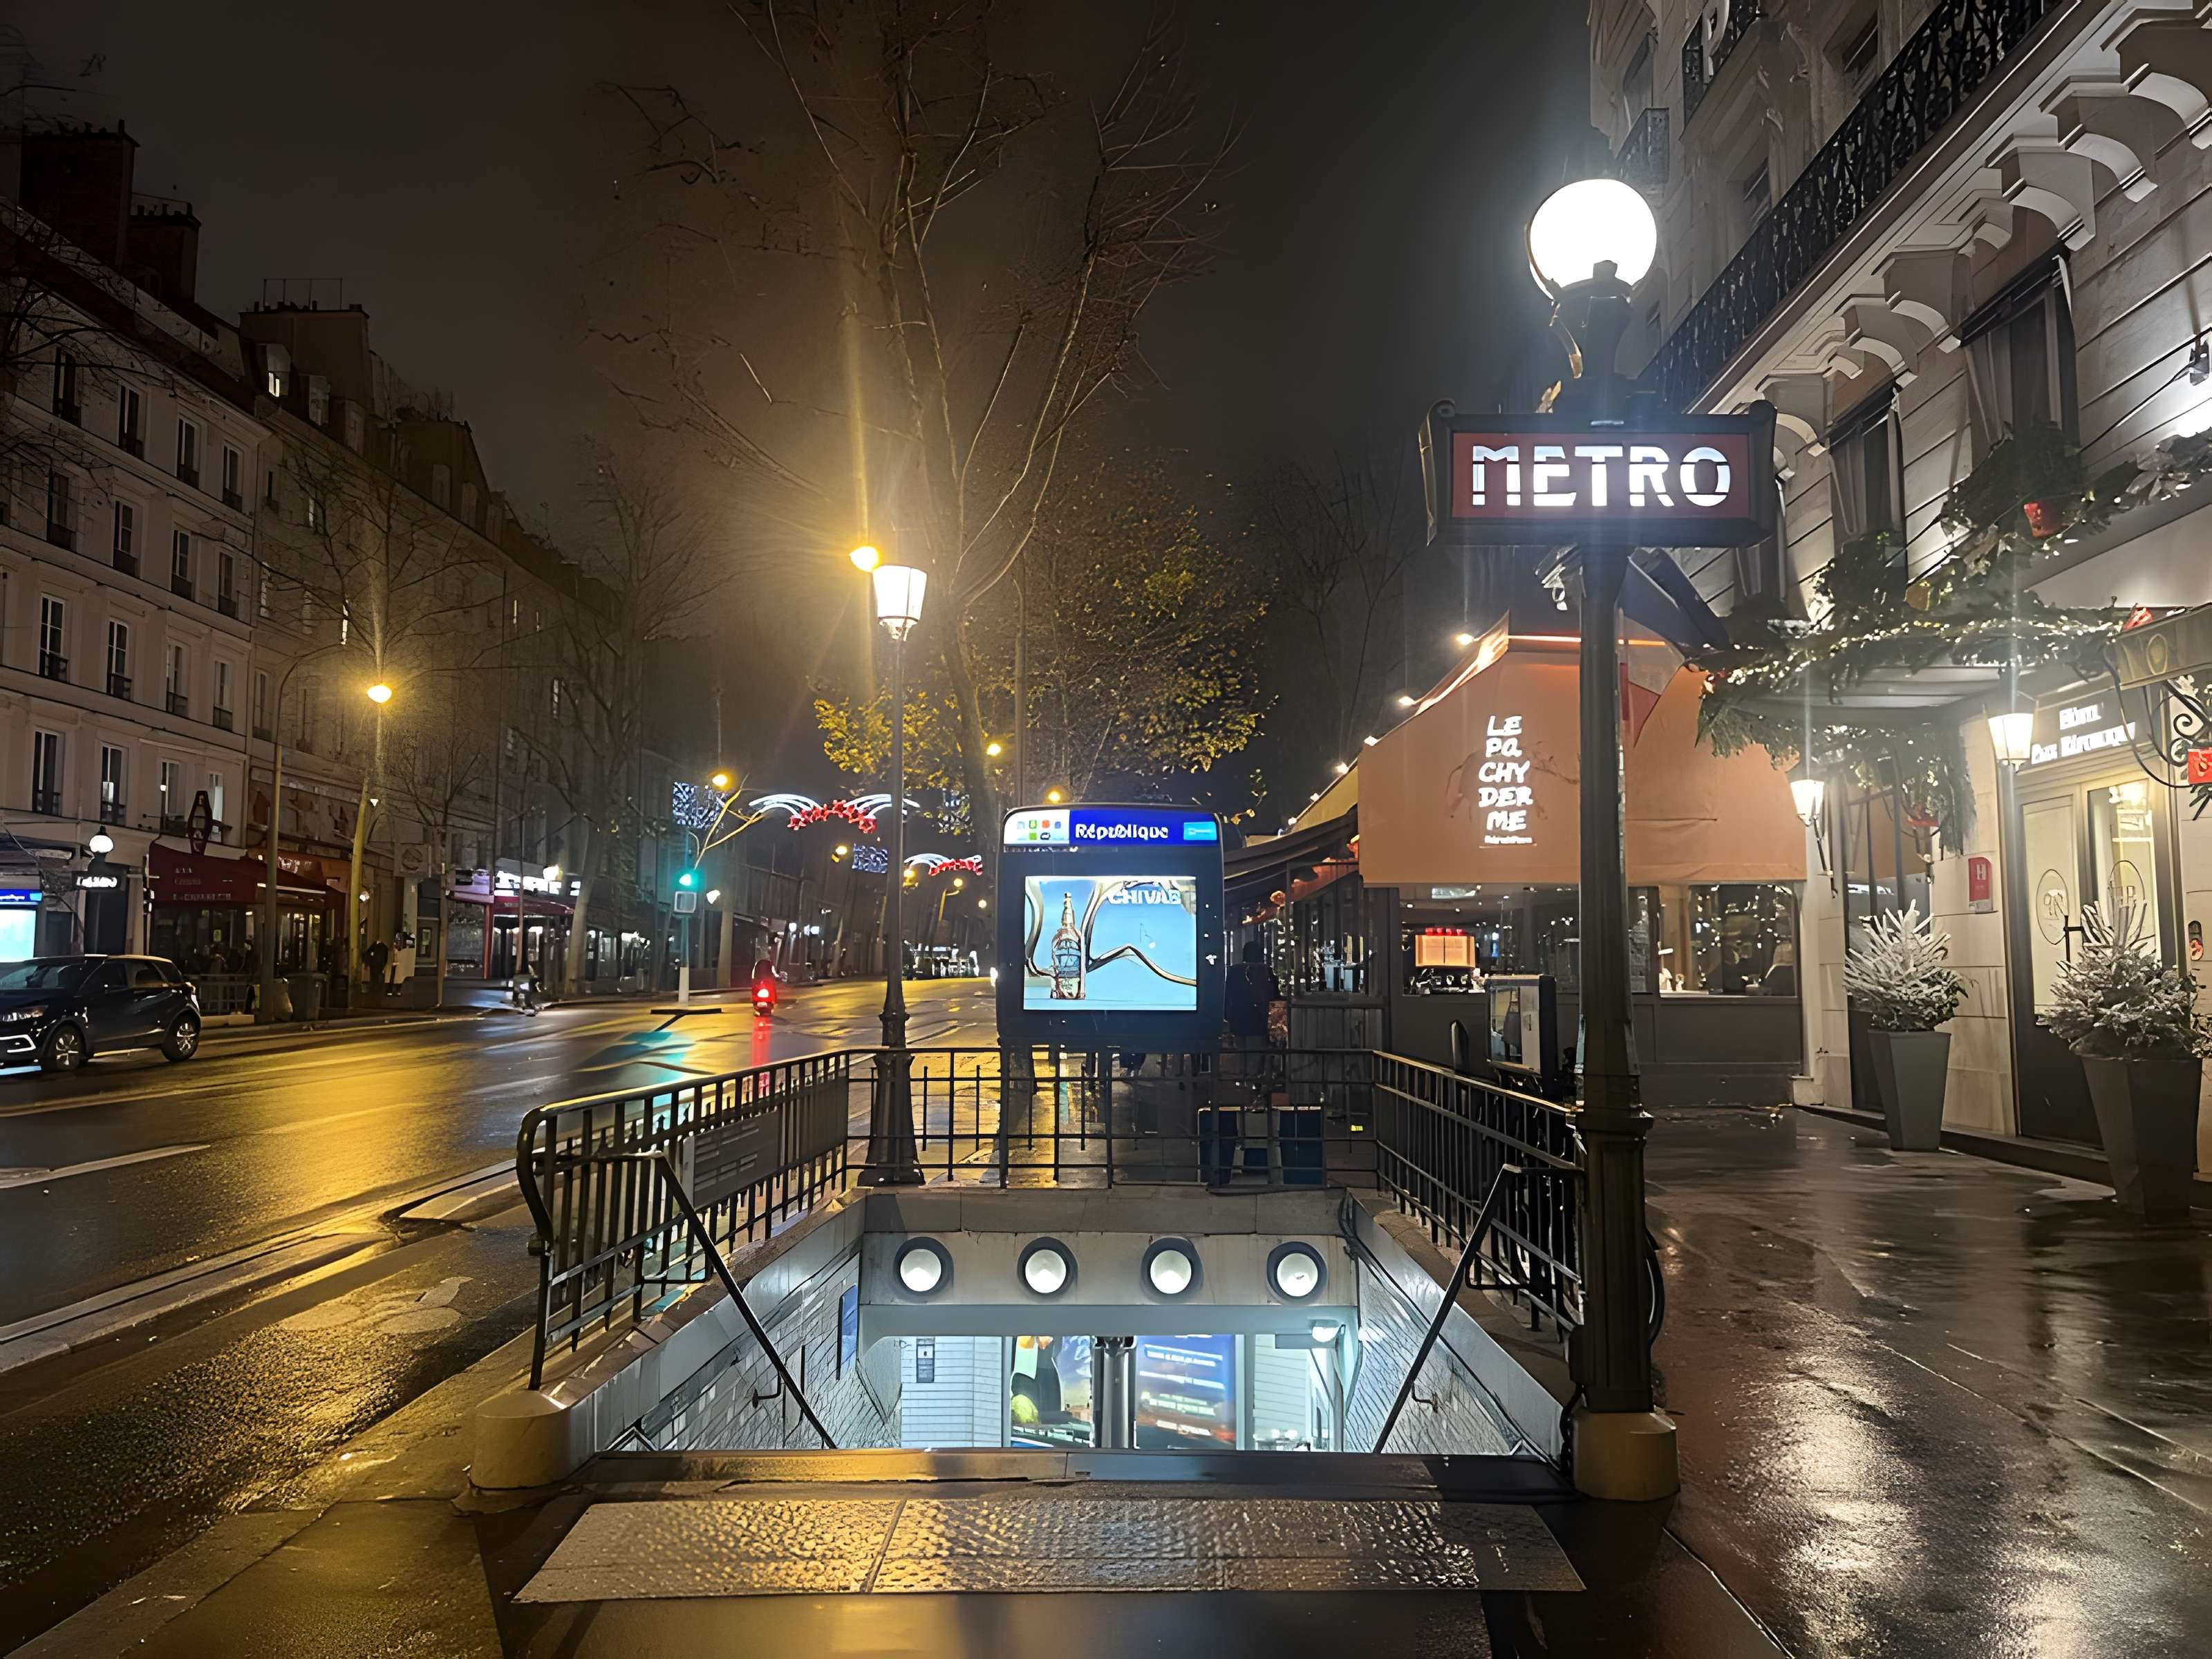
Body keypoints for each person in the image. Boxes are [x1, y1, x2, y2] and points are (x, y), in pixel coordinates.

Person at [1224, 939, 1280, 1044]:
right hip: (1258, 1019)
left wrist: (1228, 1015)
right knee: (1255, 1053)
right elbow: (1273, 994)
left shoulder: (1234, 971)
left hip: (1238, 1019)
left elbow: (1227, 995)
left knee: (1241, 1051)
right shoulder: (1265, 971)